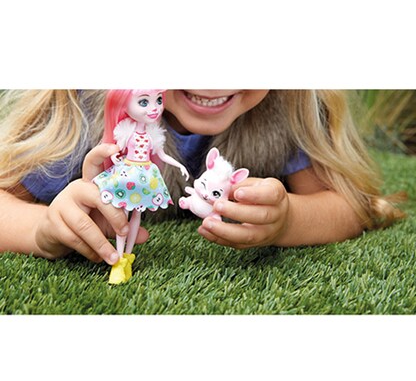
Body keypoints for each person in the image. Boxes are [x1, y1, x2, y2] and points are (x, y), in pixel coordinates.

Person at [0, 89, 404, 264]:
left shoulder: (287, 103)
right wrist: (42, 229)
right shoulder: (86, 106)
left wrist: (289, 220)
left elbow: (347, 204)